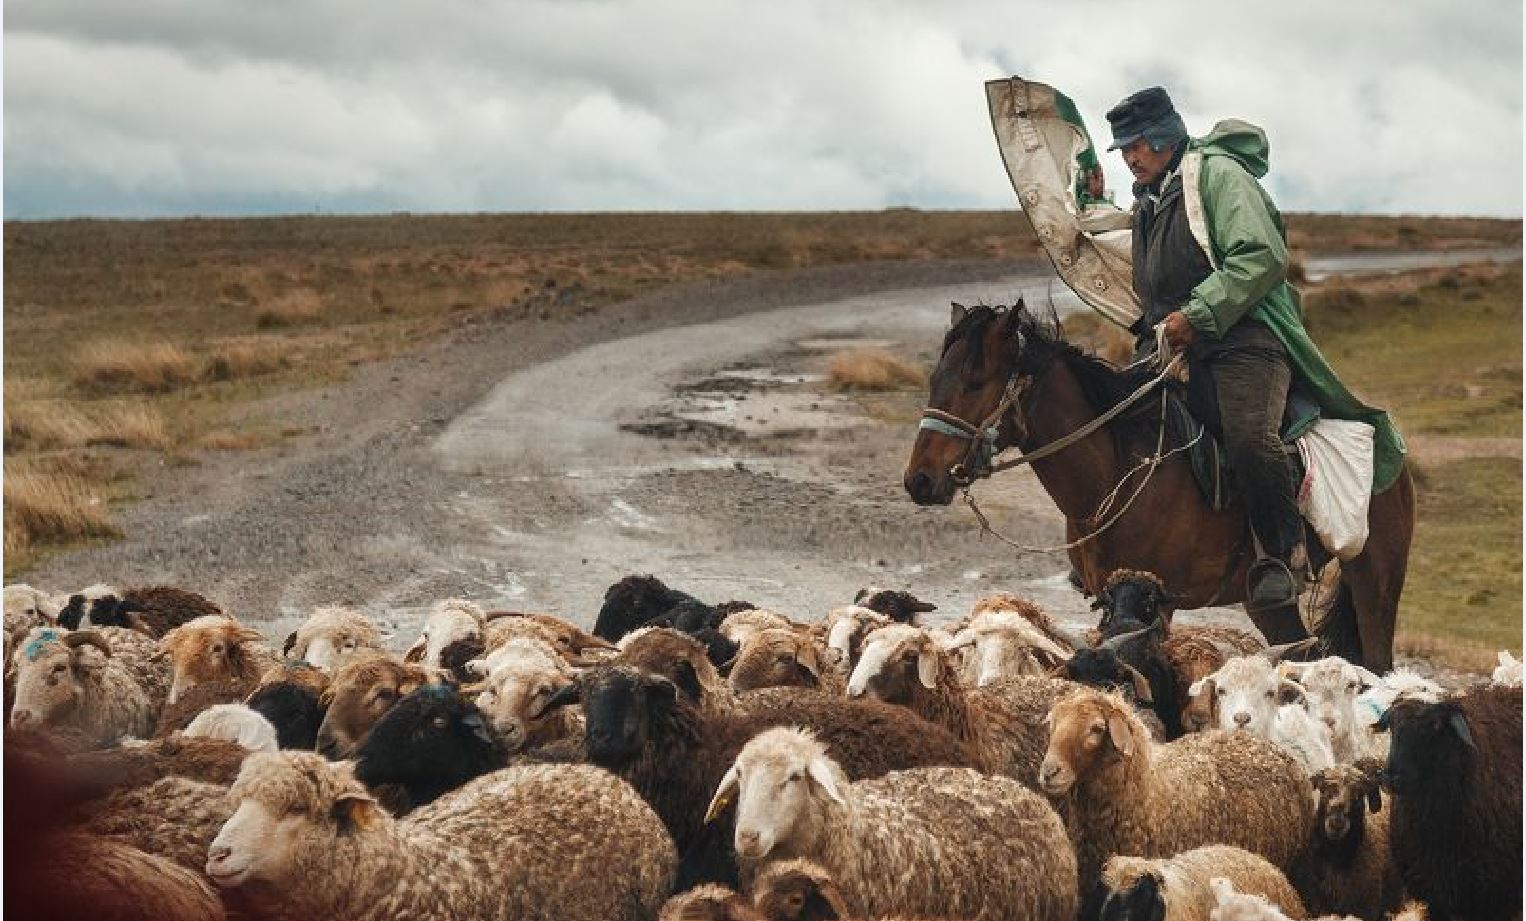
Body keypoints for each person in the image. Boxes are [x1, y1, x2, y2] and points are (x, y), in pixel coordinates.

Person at [1103, 87, 1314, 638]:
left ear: (1169, 136)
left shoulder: (1218, 177)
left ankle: (1281, 556)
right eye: (1125, 147)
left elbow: (1261, 256)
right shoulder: (1149, 200)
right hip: (1178, 344)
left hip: (1246, 338)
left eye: (1141, 143)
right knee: (1124, 429)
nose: (1132, 155)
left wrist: (1196, 315)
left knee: (1248, 437)